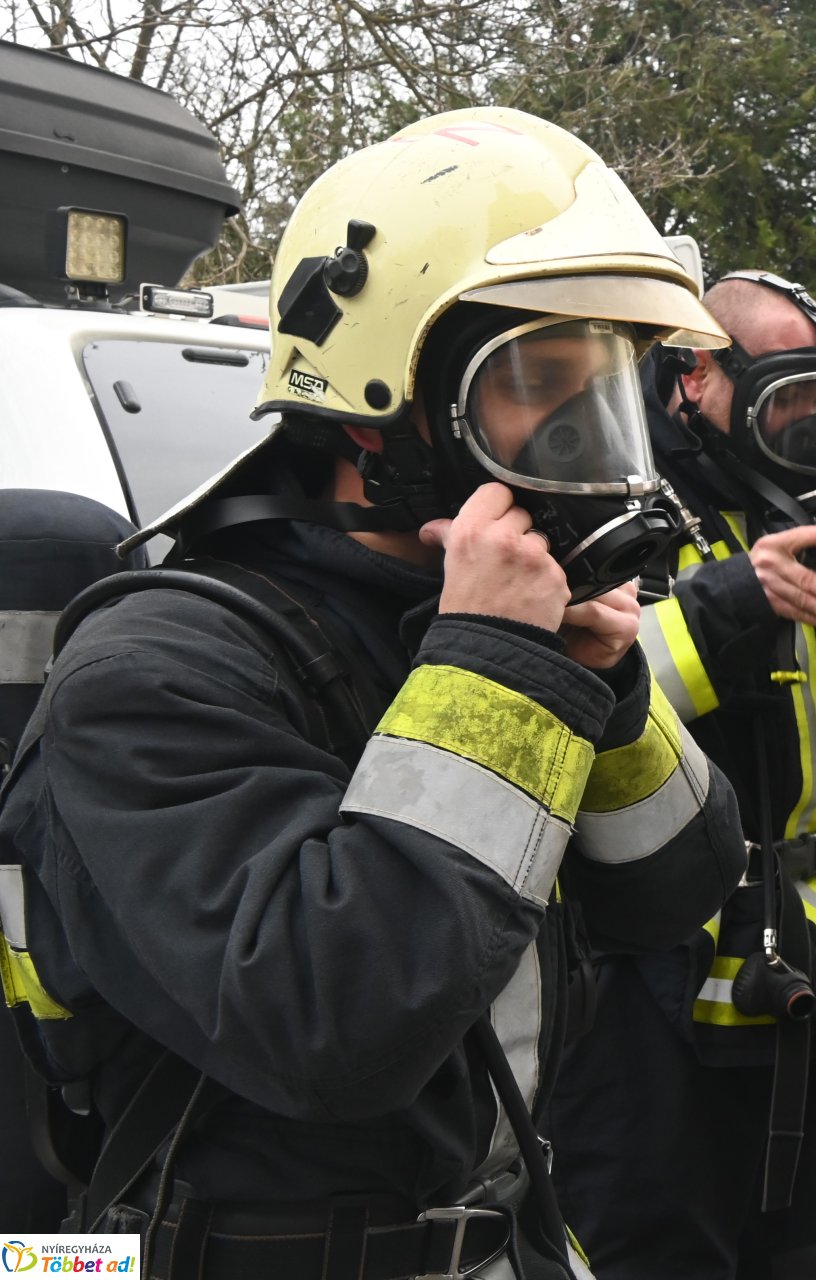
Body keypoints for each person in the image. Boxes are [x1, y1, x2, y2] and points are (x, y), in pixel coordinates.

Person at [0, 108, 748, 1275]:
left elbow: (676, 887)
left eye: (607, 389)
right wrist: (498, 672)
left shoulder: (478, 636)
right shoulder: (154, 675)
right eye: (540, 382)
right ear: (383, 406)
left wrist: (596, 684)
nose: (588, 439)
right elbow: (339, 1019)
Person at [548, 271, 816, 1280]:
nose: (809, 427)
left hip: (788, 975)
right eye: (787, 398)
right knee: (655, 1250)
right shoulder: (603, 500)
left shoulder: (779, 511)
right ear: (695, 375)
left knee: (810, 1257)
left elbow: (811, 736)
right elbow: (572, 682)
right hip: (647, 985)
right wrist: (727, 603)